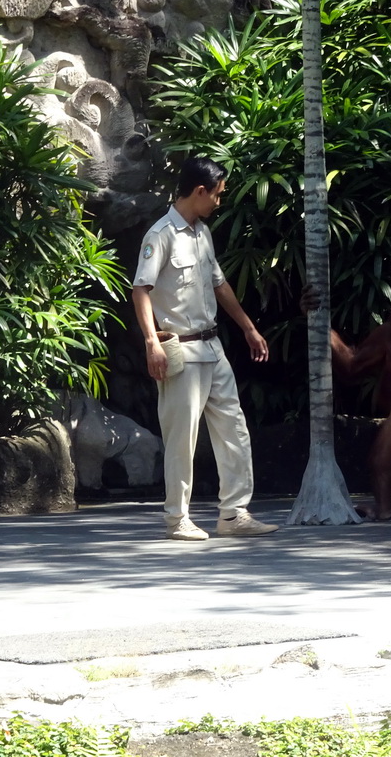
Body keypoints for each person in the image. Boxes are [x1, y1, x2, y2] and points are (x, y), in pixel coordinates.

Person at [132, 157, 279, 541]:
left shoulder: (202, 233)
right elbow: (141, 289)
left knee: (234, 428)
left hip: (213, 347)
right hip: (179, 348)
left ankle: (234, 514)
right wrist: (152, 343)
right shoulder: (160, 234)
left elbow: (219, 283)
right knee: (183, 438)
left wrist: (248, 327)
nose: (218, 202)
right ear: (199, 191)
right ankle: (177, 518)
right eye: (216, 194)